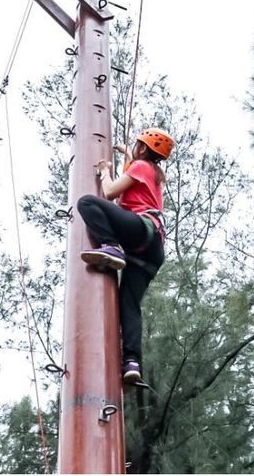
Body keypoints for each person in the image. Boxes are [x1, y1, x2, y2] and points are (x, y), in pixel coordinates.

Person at [76, 128, 173, 384]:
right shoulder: (152, 172)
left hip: (141, 231)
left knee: (87, 202)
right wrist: (127, 154)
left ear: (143, 148)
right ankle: (132, 362)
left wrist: (105, 171)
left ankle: (110, 245)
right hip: (151, 251)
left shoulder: (141, 166)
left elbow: (109, 192)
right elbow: (134, 179)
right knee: (128, 305)